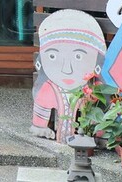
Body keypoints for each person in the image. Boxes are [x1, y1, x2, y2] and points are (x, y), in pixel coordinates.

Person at [30, 9, 107, 143]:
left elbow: (101, 111)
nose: (67, 69)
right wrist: (41, 127)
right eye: (52, 56)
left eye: (78, 56)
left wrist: (97, 133)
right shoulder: (47, 88)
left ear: (97, 61)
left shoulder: (95, 89)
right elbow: (41, 109)